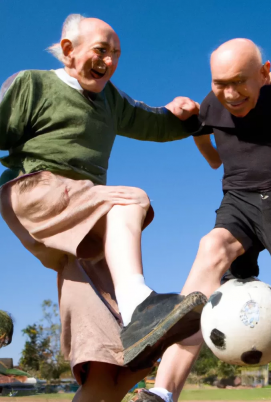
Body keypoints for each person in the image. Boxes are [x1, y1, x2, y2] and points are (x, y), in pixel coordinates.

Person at [0, 14, 207, 402]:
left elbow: (153, 122)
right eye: (100, 51)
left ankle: (133, 325)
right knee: (129, 199)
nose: (109, 61)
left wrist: (193, 120)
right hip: (36, 190)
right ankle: (138, 303)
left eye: (116, 54)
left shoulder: (111, 100)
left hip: (80, 225)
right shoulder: (34, 84)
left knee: (114, 363)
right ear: (68, 51)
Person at [136, 38, 271, 402]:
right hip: (240, 202)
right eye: (220, 83)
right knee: (210, 248)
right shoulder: (212, 105)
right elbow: (206, 139)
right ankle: (161, 393)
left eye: (240, 81)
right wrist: (206, 145)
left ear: (263, 73)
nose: (230, 93)